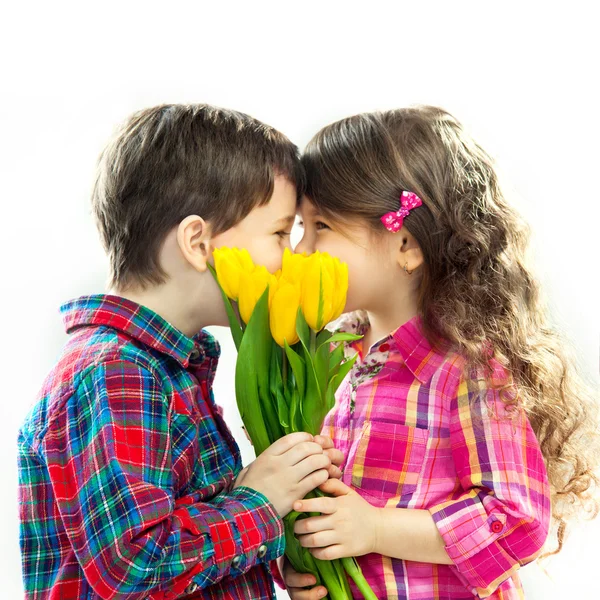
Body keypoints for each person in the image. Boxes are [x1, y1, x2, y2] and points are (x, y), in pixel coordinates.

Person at [17, 104, 342, 599]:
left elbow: (188, 524)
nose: (292, 256)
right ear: (197, 241)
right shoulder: (117, 374)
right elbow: (136, 564)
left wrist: (269, 554)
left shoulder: (165, 368)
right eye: (279, 233)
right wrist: (262, 501)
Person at [282, 106, 598, 599]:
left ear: (406, 242)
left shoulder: (467, 371)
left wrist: (375, 529)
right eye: (297, 228)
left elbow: (517, 522)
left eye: (320, 227)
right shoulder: (340, 361)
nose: (298, 252)